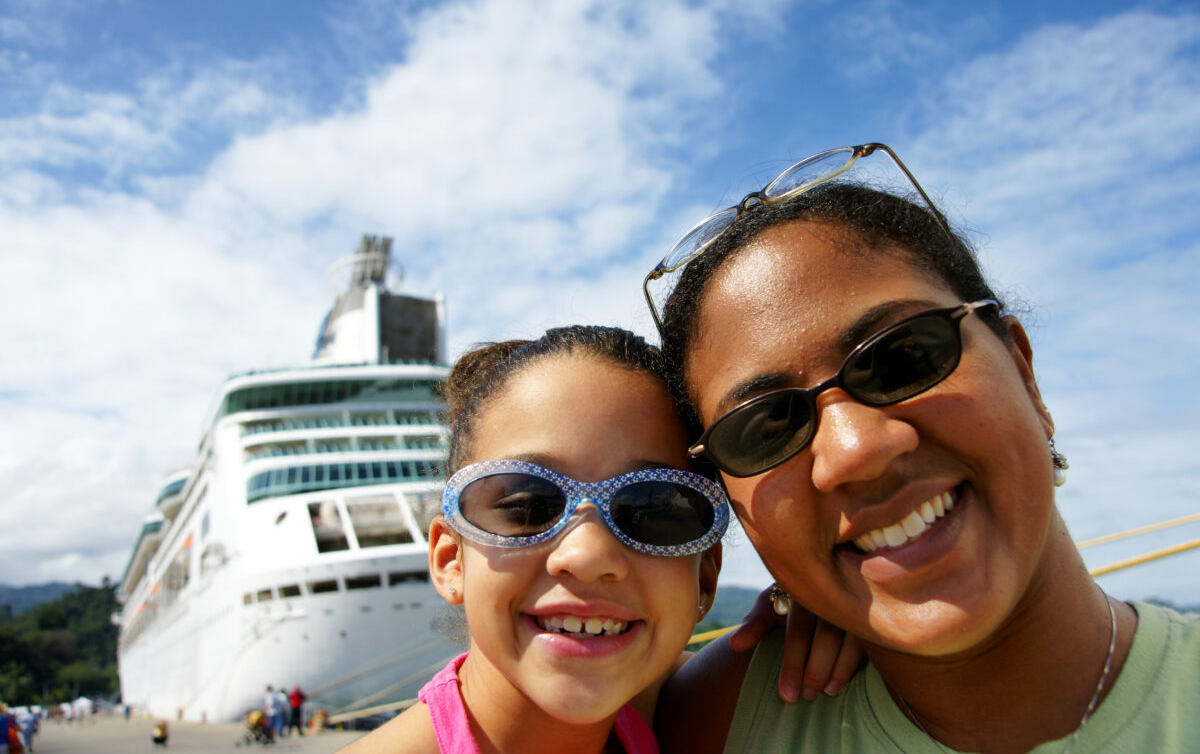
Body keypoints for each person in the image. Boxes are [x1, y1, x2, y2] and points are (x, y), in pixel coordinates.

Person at [645, 143, 1200, 752]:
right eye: (765, 427)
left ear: (1024, 372)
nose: (855, 450)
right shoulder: (710, 726)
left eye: (904, 357)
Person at [340, 326, 854, 754]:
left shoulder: (686, 703)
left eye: (655, 509)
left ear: (706, 575)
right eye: (527, 505)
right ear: (451, 559)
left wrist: (837, 606)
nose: (587, 555)